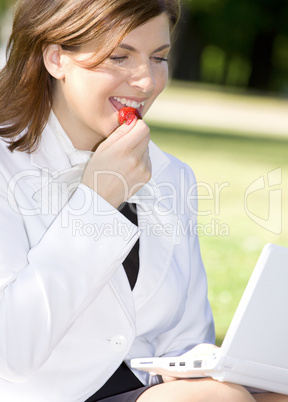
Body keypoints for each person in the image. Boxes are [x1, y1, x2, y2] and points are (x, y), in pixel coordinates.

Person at [0, 0, 287, 401]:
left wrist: (210, 365)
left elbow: (187, 338)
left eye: (158, 58)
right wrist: (98, 202)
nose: (146, 82)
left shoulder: (171, 175)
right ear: (56, 59)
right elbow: (10, 350)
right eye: (120, 56)